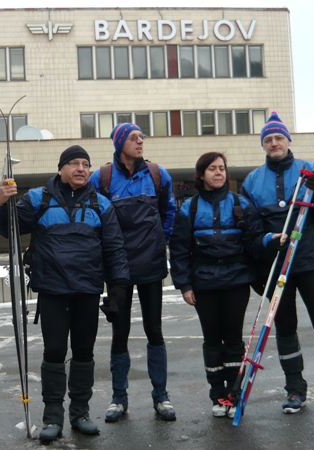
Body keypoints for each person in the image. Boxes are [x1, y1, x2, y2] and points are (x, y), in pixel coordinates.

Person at [0, 145, 129, 445]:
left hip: (87, 290)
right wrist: (1, 203)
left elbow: (114, 249)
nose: (81, 169)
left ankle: (80, 413)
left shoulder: (101, 204)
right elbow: (8, 229)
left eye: (86, 164)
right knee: (54, 352)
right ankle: (52, 417)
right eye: (74, 163)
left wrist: (117, 287)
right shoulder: (37, 199)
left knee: (83, 352)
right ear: (61, 169)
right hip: (53, 290)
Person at [240, 111, 314, 415]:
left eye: (278, 137)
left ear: (288, 140)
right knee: (284, 326)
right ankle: (295, 390)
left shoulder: (310, 169)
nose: (274, 143)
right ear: (263, 145)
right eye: (268, 139)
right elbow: (251, 230)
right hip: (278, 266)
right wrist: (268, 239)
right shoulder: (252, 181)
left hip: (310, 260)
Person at [169, 152, 284, 419]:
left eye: (221, 168)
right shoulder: (190, 208)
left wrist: (269, 239)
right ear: (201, 175)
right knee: (212, 340)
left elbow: (254, 240)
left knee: (232, 339)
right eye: (212, 169)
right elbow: (178, 249)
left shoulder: (240, 203)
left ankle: (232, 394)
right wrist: (184, 285)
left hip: (236, 281)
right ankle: (216, 395)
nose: (218, 173)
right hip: (203, 283)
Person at [88, 122, 178, 422]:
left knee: (155, 330)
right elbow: (91, 215)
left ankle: (161, 396)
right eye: (133, 138)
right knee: (120, 333)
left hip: (151, 264)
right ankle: (118, 398)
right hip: (118, 268)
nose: (140, 141)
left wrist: (160, 239)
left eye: (142, 137)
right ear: (119, 143)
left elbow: (170, 211)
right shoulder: (101, 177)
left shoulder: (156, 174)